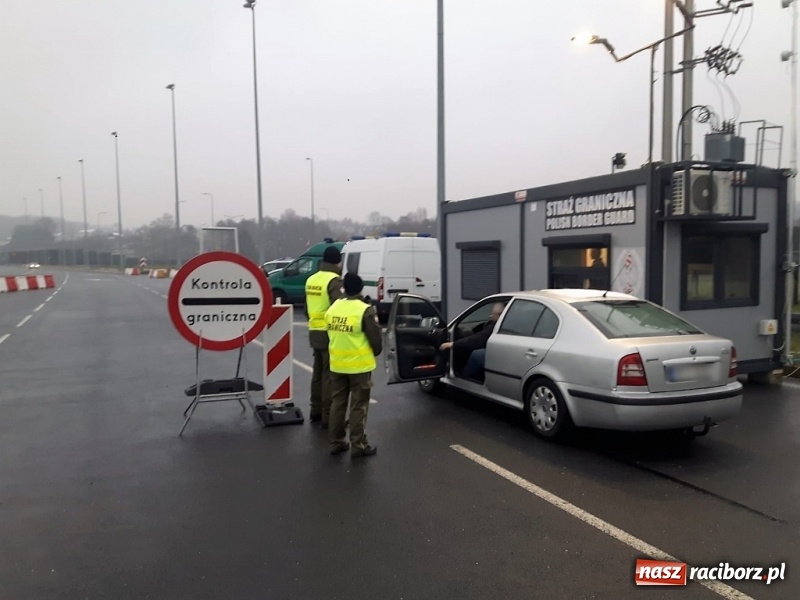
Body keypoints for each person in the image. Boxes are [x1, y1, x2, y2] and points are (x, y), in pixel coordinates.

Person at [325, 273, 383, 458]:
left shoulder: (334, 307)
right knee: (359, 405)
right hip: (359, 367)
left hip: (337, 364)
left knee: (338, 403)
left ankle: (336, 442)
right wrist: (376, 351)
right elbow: (375, 339)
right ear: (359, 289)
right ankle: (358, 444)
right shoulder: (364, 309)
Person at [305, 245, 344, 427]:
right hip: (329, 333)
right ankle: (328, 416)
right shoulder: (334, 281)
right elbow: (339, 308)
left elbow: (307, 309)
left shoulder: (311, 279)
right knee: (330, 375)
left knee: (317, 373)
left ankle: (315, 410)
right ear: (337, 261)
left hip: (314, 331)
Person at [439, 302, 505, 380]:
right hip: (503, 352)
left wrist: (454, 344)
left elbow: (478, 339)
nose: (490, 316)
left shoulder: (496, 326)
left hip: (499, 355)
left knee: (476, 354)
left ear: (500, 315)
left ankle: (465, 376)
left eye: (494, 314)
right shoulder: (505, 323)